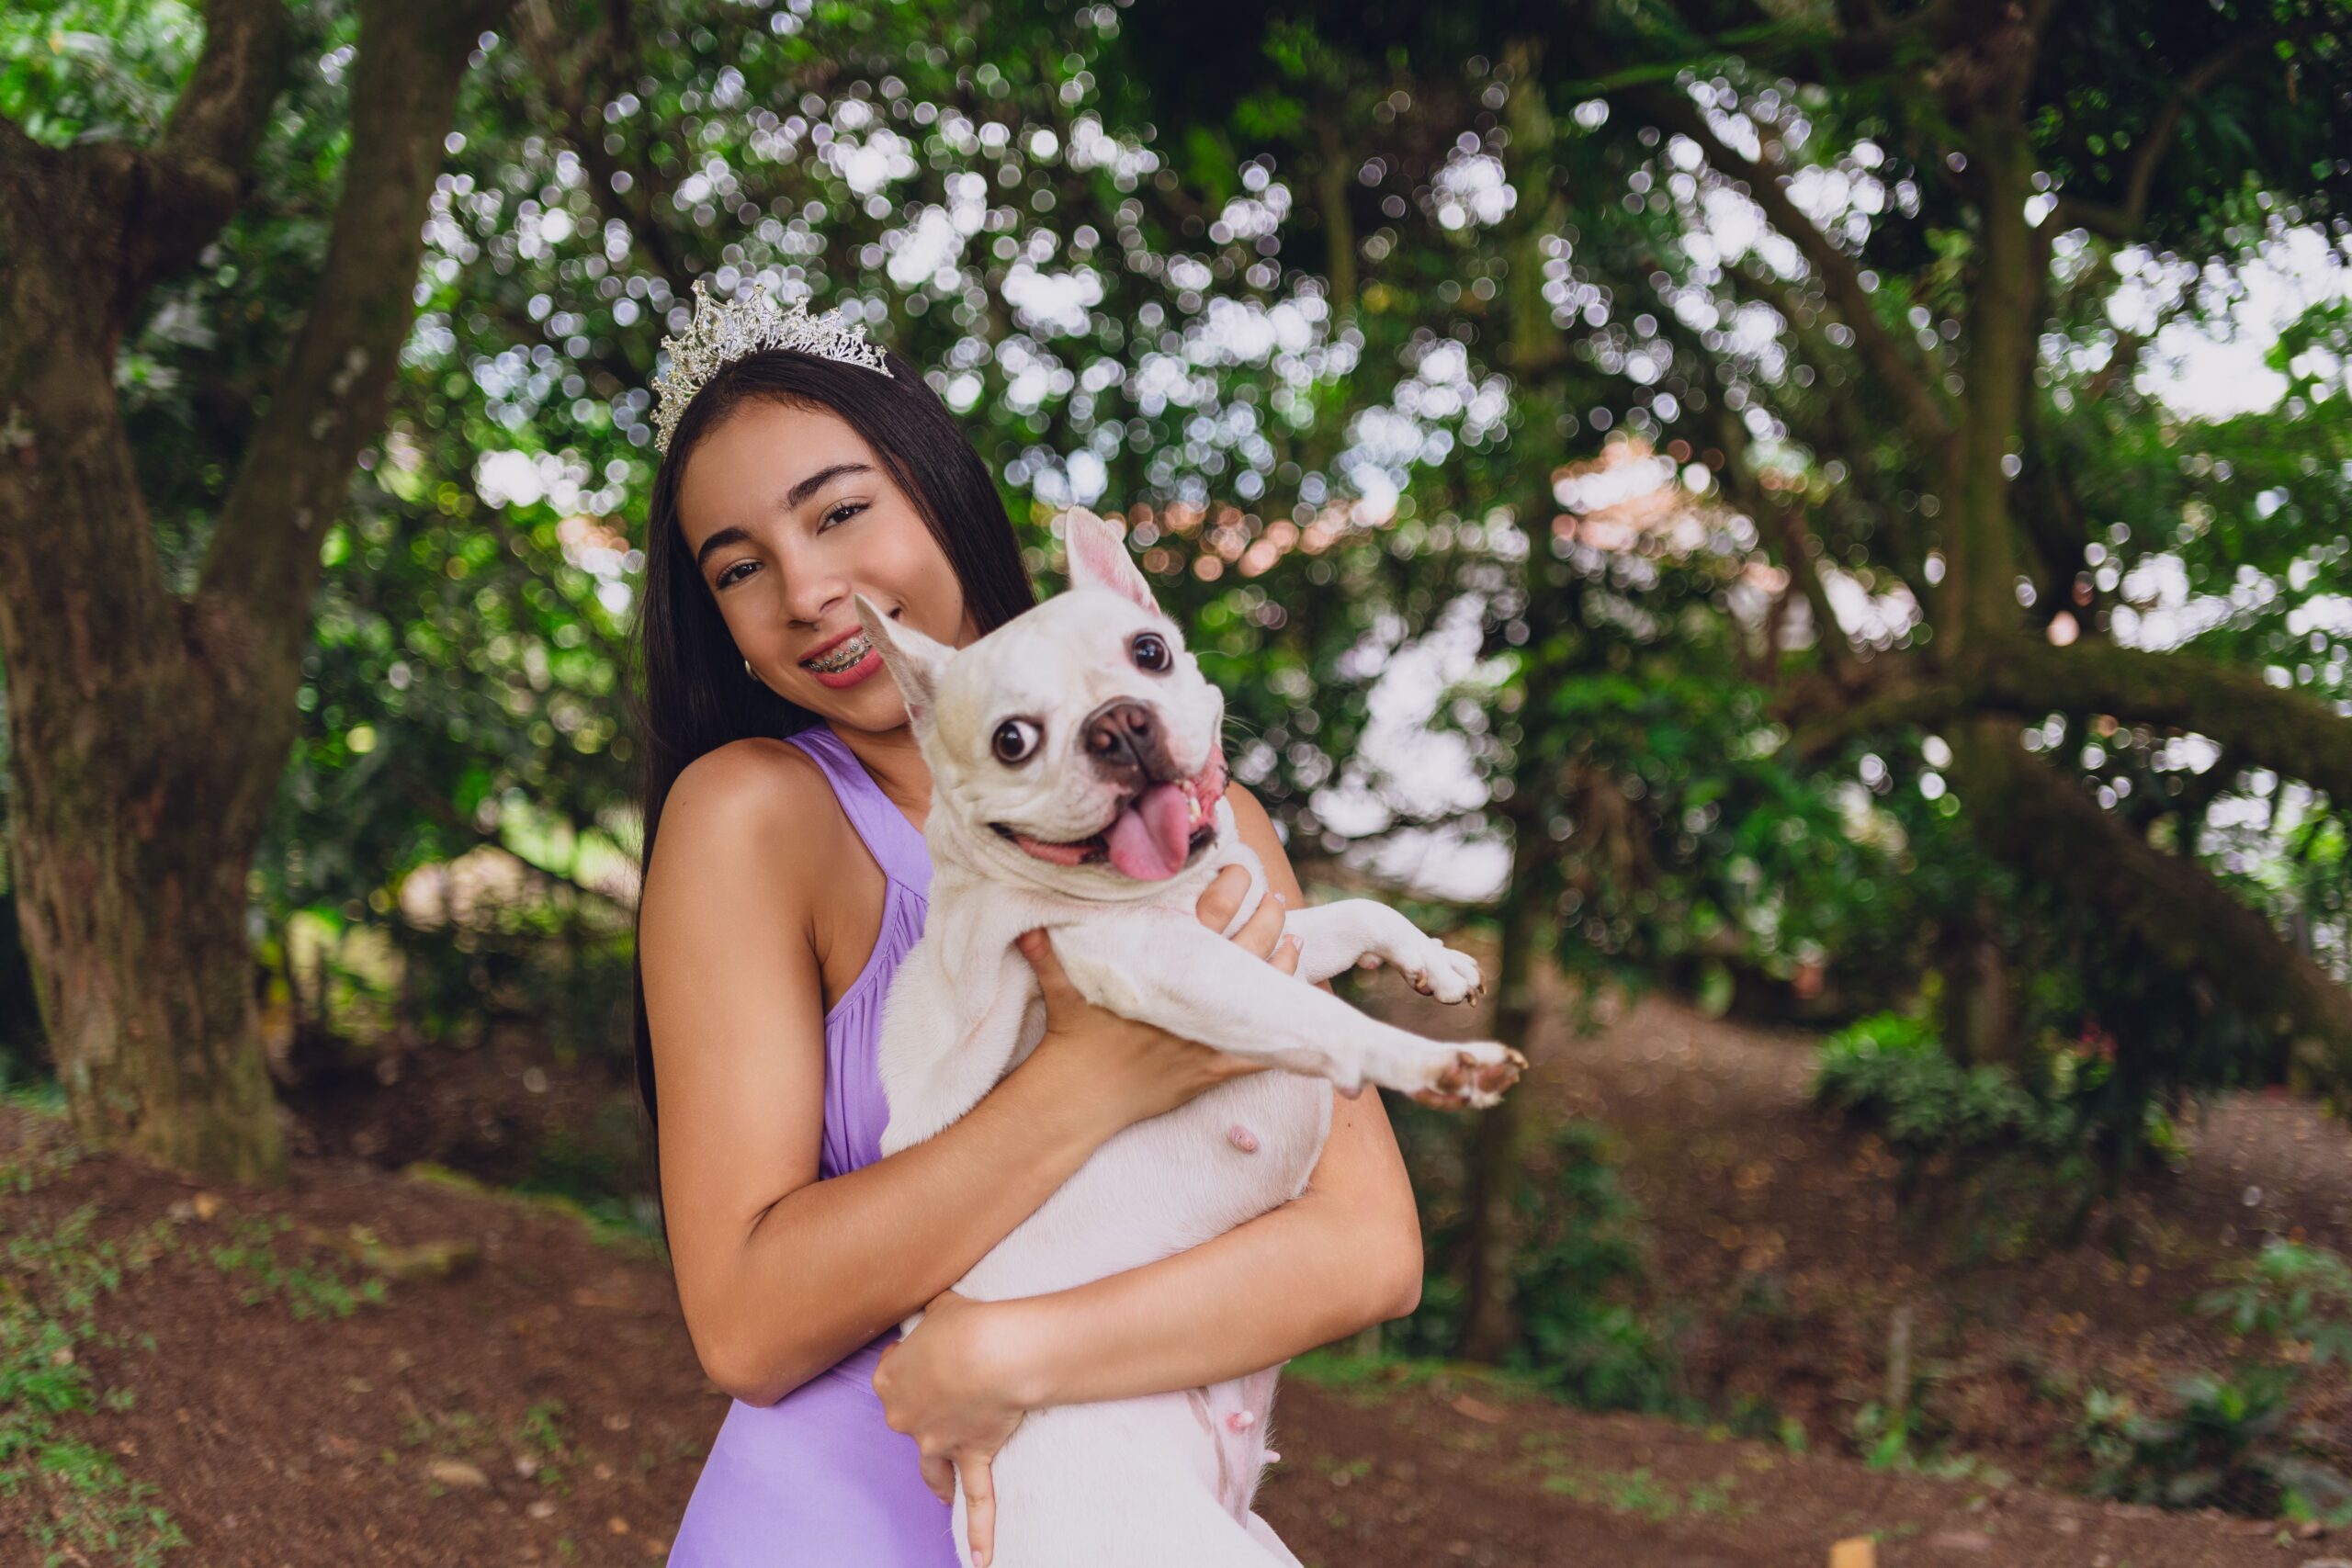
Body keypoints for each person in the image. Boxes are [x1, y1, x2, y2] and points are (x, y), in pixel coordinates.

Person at [629, 286, 1427, 1565]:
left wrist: (1007, 1354)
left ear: (940, 491)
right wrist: (1098, 1074)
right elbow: (745, 1323)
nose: (809, 590)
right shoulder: (756, 818)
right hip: (833, 1528)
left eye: (839, 512)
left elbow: (1367, 1246)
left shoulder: (1208, 823)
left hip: (1131, 1523)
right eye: (739, 568)